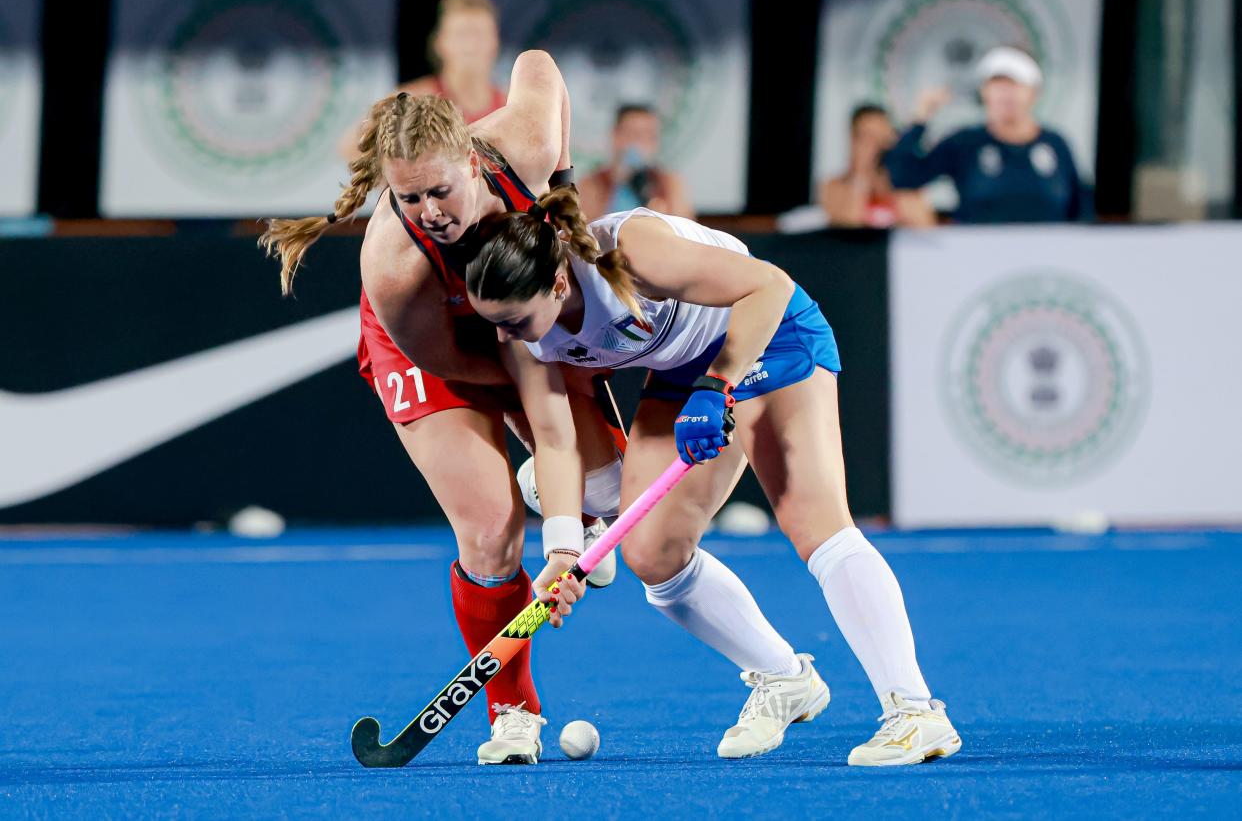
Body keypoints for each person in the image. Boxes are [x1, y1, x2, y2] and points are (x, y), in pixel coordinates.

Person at [461, 188, 963, 766]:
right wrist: (562, 550)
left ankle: (916, 712)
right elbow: (553, 438)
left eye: (514, 320)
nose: (505, 335)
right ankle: (785, 677)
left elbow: (767, 285)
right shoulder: (524, 335)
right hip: (686, 368)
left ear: (556, 285)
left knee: (813, 521)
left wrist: (719, 383)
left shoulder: (630, 251)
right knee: (653, 553)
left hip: (768, 331)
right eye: (492, 322)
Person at [261, 52, 621, 766]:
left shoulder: (523, 146)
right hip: (433, 352)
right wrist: (536, 417)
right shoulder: (394, 261)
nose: (429, 211)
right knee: (490, 529)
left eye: (439, 191)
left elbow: (539, 65)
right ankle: (512, 712)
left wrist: (564, 184)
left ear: (472, 158)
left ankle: (565, 499)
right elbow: (453, 363)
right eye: (409, 196)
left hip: (512, 314)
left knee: (612, 486)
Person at [884, 46, 1092, 223]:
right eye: (996, 84)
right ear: (983, 91)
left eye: (1015, 84)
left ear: (1034, 92)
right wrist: (920, 119)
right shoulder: (965, 143)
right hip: (979, 263)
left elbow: (1080, 209)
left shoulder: (1056, 145)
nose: (1005, 94)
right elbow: (902, 177)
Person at [338, 0, 507, 162]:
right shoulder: (411, 100)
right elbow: (352, 147)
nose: (470, 46)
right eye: (461, 35)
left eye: (479, 35)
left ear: (495, 42)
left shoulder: (510, 107)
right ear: (440, 43)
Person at [818, 104, 935, 228]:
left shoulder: (906, 187)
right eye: (868, 137)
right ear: (854, 141)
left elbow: (925, 225)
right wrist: (861, 174)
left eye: (883, 137)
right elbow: (849, 224)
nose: (877, 146)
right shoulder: (833, 186)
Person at [576, 105, 694, 221]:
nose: (640, 142)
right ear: (615, 135)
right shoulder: (592, 184)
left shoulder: (669, 184)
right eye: (633, 134)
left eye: (649, 135)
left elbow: (684, 230)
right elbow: (583, 230)